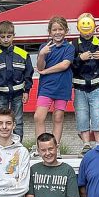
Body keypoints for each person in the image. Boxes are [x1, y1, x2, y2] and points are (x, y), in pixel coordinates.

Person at [72, 13, 99, 157]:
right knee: (82, 115)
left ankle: (98, 145)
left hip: (97, 87)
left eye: (89, 26)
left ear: (94, 27)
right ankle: (85, 144)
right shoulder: (73, 44)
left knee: (97, 115)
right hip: (79, 87)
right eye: (83, 26)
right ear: (78, 27)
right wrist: (79, 59)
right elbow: (70, 66)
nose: (87, 30)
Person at [33, 16, 75, 155]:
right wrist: (41, 55)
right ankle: (42, 148)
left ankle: (55, 148)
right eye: (54, 29)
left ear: (66, 31)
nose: (58, 32)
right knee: (39, 116)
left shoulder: (69, 47)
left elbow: (65, 65)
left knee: (58, 117)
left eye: (61, 29)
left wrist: (46, 71)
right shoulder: (44, 47)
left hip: (63, 86)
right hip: (46, 87)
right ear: (50, 32)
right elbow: (40, 67)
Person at [0, 20, 33, 140]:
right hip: (1, 95)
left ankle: (17, 146)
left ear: (14, 36)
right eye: (2, 37)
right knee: (1, 120)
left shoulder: (23, 54)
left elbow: (28, 74)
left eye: (9, 36)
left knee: (18, 120)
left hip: (18, 94)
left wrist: (26, 91)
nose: (6, 39)